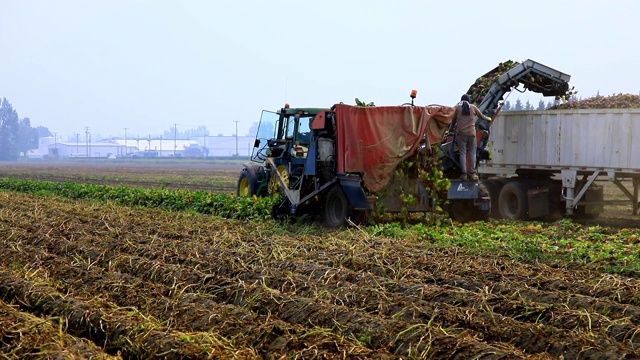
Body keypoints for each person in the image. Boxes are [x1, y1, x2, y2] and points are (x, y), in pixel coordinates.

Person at [451, 94, 492, 181]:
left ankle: (464, 174)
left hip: (461, 134)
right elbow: (481, 116)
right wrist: (488, 118)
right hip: (471, 134)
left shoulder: (457, 108)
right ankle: (472, 173)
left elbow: (453, 120)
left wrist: (449, 130)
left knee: (463, 153)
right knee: (472, 153)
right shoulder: (473, 107)